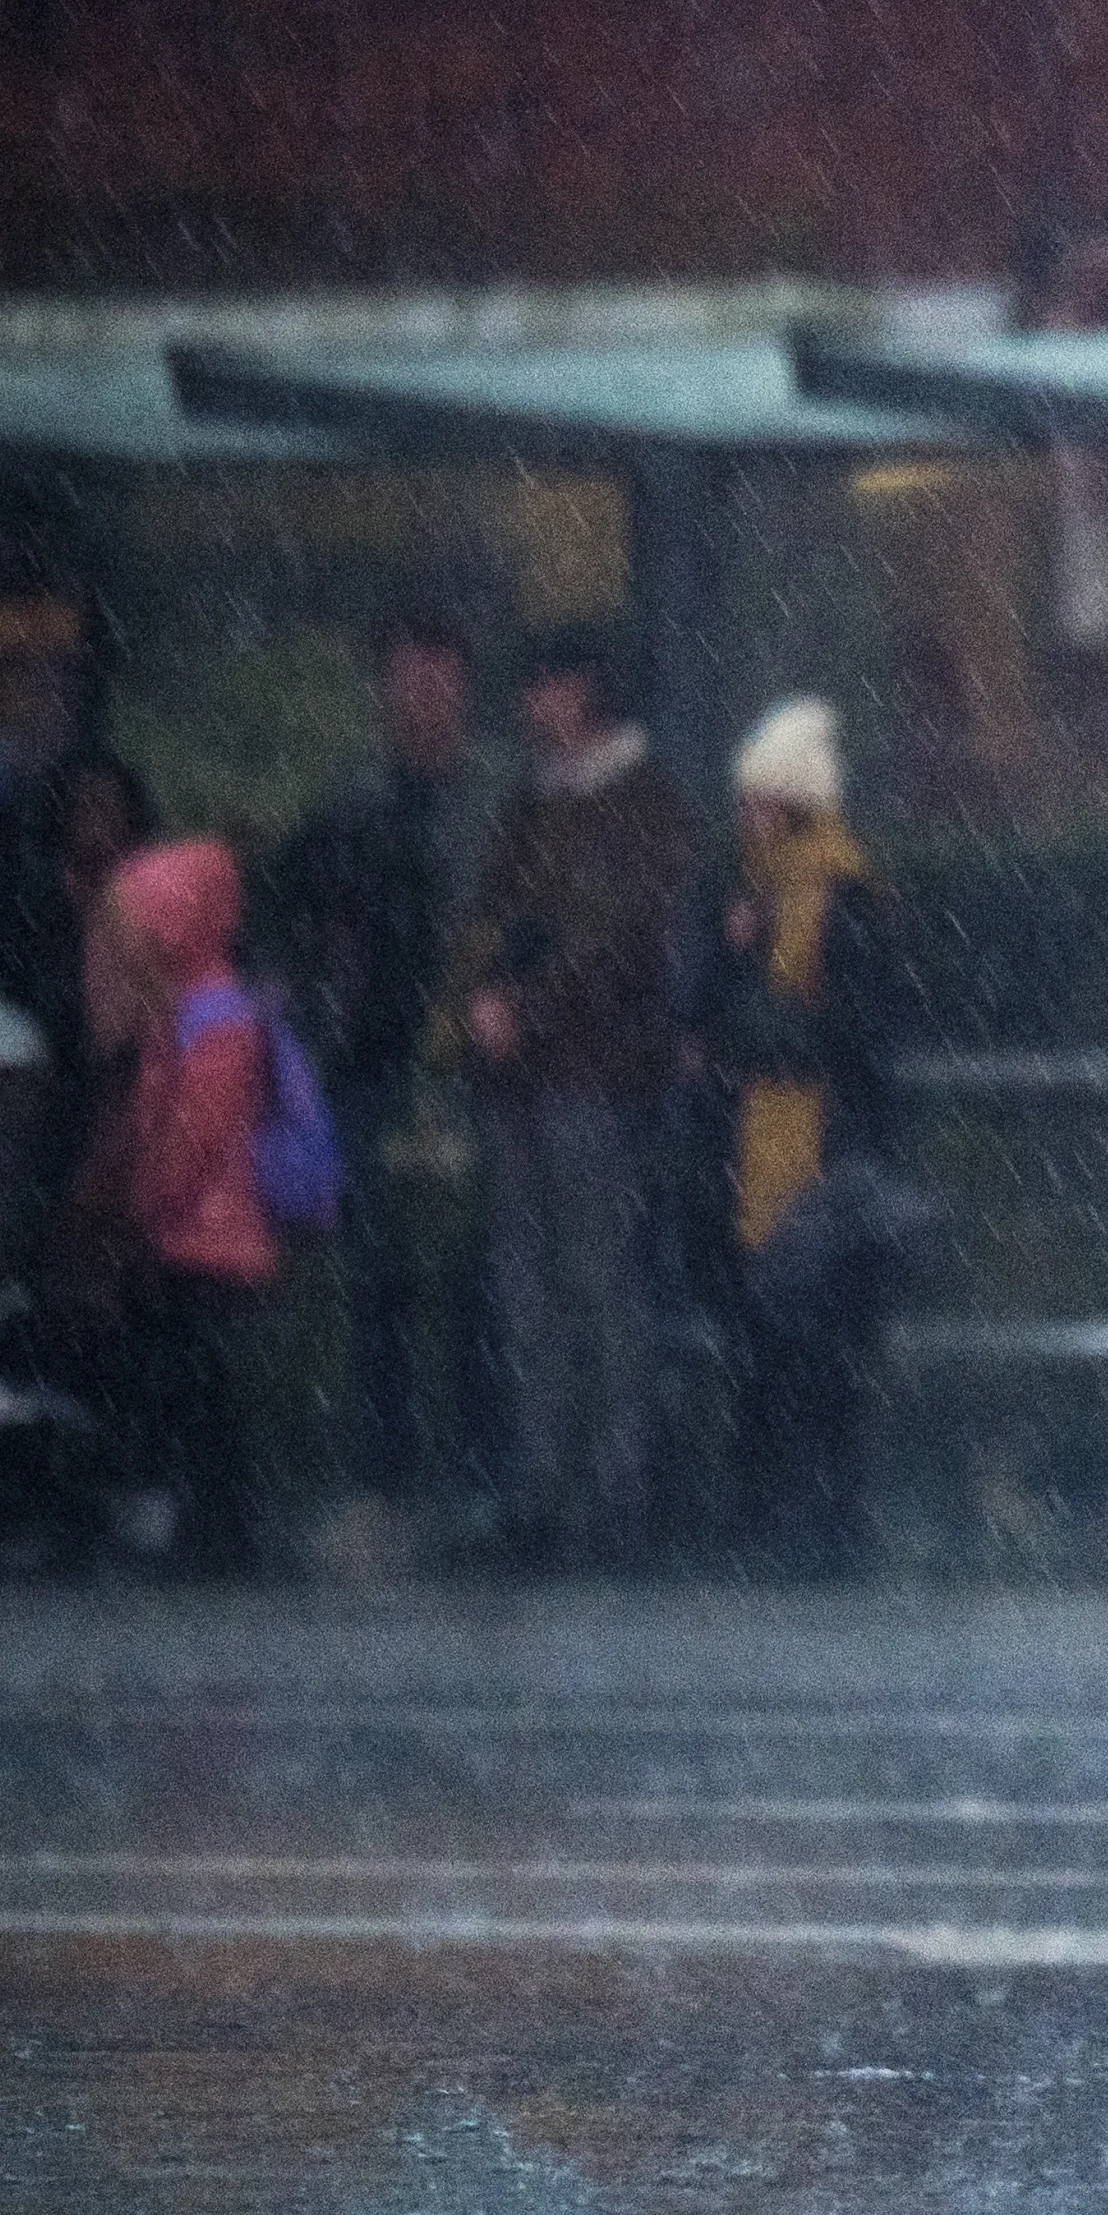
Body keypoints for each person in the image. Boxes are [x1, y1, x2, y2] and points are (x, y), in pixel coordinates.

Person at [449, 628, 693, 1570]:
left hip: (592, 1075)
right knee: (528, 1285)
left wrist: (525, 1006)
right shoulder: (531, 804)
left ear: (582, 692)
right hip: (522, 1078)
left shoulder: (642, 806)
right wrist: (482, 996)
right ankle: (543, 1484)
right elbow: (491, 917)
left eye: (542, 686)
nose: (528, 707)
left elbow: (623, 938)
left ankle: (616, 1486)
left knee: (595, 1279)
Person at [258, 615, 501, 1554]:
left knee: (477, 1277)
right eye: (408, 686)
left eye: (439, 686)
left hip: (465, 1068)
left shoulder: (495, 797)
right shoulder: (351, 797)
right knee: (379, 1281)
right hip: (369, 1063)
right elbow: (296, 902)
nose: (423, 705)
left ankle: (482, 1481)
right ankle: (384, 1477)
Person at [679, 697, 899, 1576]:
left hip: (824, 1152)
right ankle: (769, 1509)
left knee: (823, 1341)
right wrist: (734, 961)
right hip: (752, 1154)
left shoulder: (846, 901)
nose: (744, 822)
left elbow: (849, 1034)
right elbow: (695, 1010)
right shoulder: (740, 899)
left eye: (759, 804)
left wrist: (747, 1024)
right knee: (761, 1336)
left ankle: (820, 1514)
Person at [81, 838, 277, 1574]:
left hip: (208, 1234)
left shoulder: (212, 1016)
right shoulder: (189, 1007)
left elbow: (194, 1135)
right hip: (192, 1231)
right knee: (192, 1386)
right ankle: (212, 1521)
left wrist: (143, 1200)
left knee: (198, 1387)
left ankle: (222, 1527)